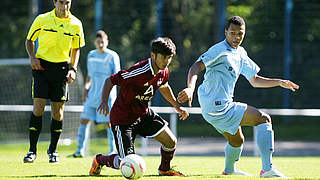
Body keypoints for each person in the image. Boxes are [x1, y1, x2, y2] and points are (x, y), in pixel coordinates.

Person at [177, 16, 299, 178]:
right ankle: (267, 169)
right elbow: (196, 66)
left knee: (237, 140)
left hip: (211, 110)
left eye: (240, 34)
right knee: (264, 119)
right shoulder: (219, 50)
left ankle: (229, 170)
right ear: (225, 32)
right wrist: (190, 88)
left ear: (244, 33)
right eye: (232, 33)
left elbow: (255, 80)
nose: (236, 37)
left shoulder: (240, 53)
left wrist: (279, 82)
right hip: (218, 106)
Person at [89, 37, 189, 177]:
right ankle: (99, 160)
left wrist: (177, 107)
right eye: (164, 57)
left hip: (143, 114)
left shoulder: (163, 71)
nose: (167, 62)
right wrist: (104, 101)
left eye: (169, 58)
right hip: (123, 119)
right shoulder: (139, 71)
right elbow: (110, 80)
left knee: (171, 141)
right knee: (127, 162)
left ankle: (164, 169)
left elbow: (164, 87)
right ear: (153, 55)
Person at [23, 0, 85, 163]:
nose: (65, 6)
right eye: (62, 3)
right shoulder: (42, 19)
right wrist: (32, 58)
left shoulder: (76, 24)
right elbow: (29, 40)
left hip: (62, 70)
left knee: (58, 112)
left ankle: (53, 151)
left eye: (68, 3)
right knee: (38, 108)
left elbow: (76, 48)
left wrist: (73, 69)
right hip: (42, 67)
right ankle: (32, 151)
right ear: (55, 2)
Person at [69, 30, 120, 158]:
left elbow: (117, 78)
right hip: (92, 96)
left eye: (102, 41)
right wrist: (86, 89)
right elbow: (90, 76)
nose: (100, 44)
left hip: (107, 97)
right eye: (98, 42)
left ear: (107, 42)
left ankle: (112, 151)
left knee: (110, 123)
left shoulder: (113, 56)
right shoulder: (91, 55)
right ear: (95, 42)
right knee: (84, 120)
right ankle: (79, 151)